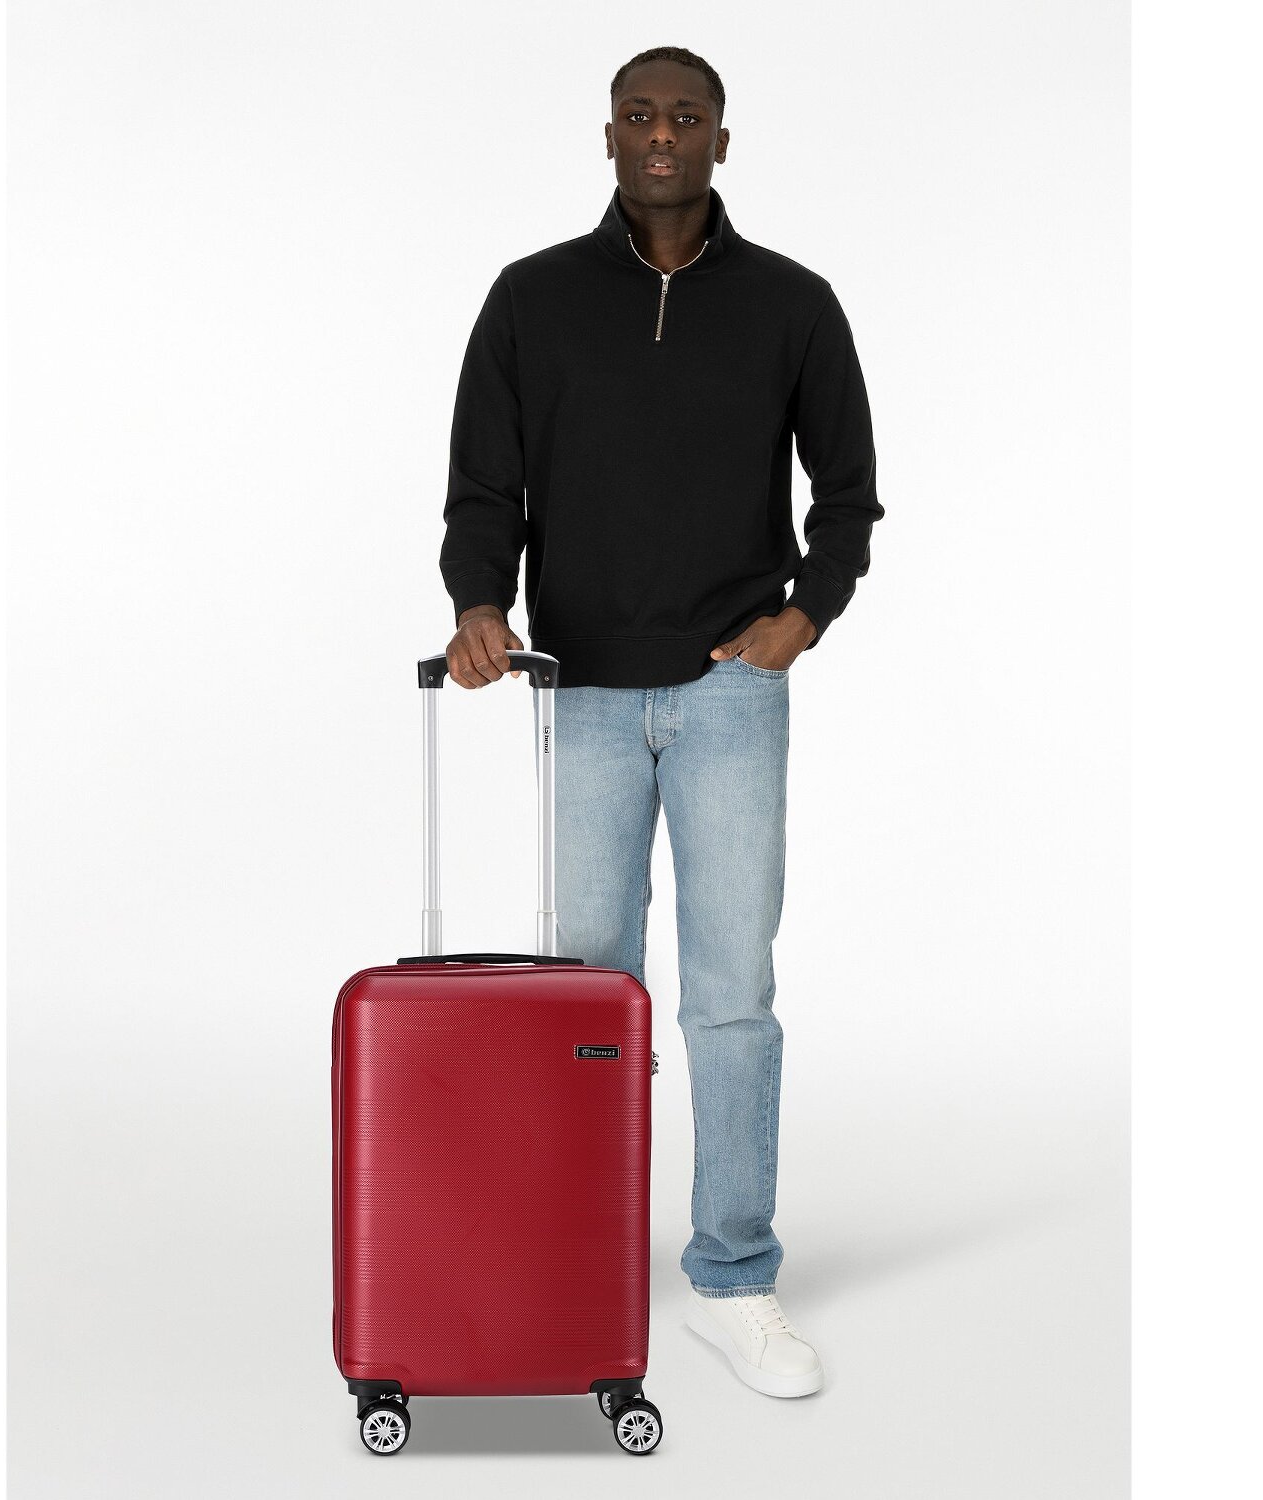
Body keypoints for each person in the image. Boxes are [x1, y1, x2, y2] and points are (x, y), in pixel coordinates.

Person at [438, 45, 881, 1399]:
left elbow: (848, 494)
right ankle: (581, 1260)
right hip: (577, 688)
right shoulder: (532, 298)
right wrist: (479, 602)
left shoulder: (793, 303)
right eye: (640, 115)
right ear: (610, 136)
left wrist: (805, 615)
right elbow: (484, 487)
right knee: (589, 994)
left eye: (688, 116)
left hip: (729, 689)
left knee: (731, 996)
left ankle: (734, 1278)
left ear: (722, 142)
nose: (663, 135)